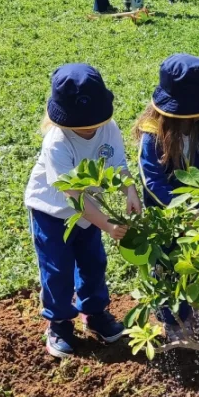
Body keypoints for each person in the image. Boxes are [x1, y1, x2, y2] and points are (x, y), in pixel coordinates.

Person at [24, 64, 142, 357]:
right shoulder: (57, 143)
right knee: (57, 268)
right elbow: (74, 198)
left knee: (93, 263)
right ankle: (60, 322)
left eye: (95, 121)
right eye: (82, 122)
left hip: (88, 216)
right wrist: (108, 226)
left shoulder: (107, 127)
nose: (91, 127)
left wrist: (130, 189)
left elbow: (119, 165)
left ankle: (94, 313)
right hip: (52, 212)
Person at [134, 54, 199, 339]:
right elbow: (153, 182)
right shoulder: (153, 134)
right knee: (167, 268)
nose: (196, 115)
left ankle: (195, 310)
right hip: (165, 217)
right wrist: (185, 211)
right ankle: (174, 320)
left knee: (197, 263)